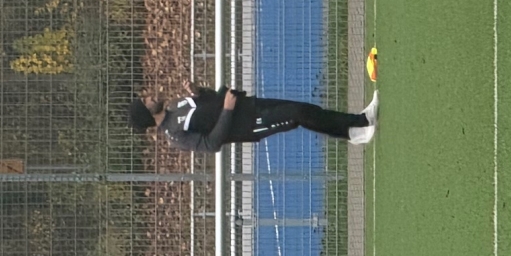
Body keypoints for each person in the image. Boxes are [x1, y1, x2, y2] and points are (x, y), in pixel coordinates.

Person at [128, 83, 379, 150]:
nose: (151, 98)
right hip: (249, 124)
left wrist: (199, 91)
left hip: (249, 106)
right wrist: (227, 110)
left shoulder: (174, 105)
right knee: (298, 115)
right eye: (146, 101)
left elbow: (209, 103)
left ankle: (357, 124)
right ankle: (356, 127)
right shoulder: (174, 135)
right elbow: (212, 143)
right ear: (147, 114)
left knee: (305, 109)